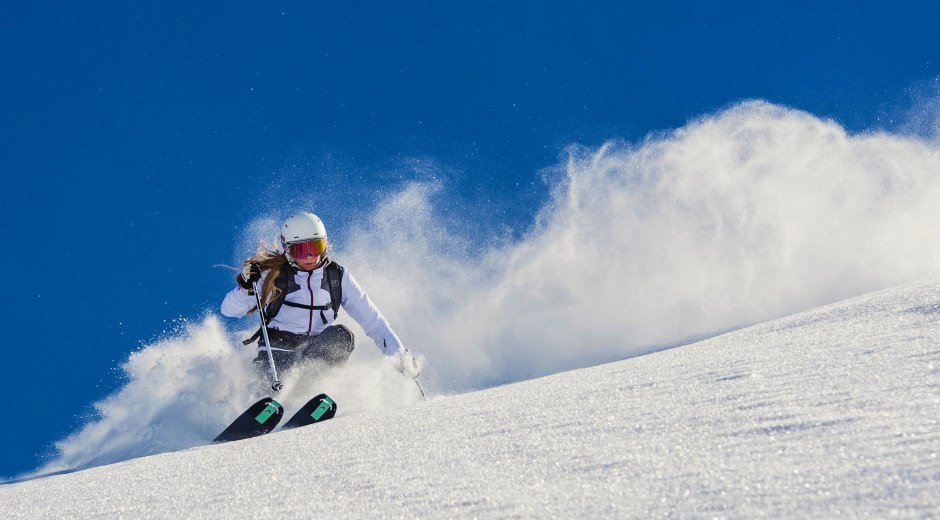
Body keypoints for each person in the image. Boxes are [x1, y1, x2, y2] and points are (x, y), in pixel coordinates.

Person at [221, 212, 421, 379]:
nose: (309, 256)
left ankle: (308, 391)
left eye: (316, 247)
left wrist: (400, 357)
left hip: (313, 352)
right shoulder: (272, 275)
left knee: (342, 336)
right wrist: (247, 287)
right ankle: (262, 399)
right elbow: (228, 310)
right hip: (277, 352)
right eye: (301, 250)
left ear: (325, 245)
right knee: (271, 379)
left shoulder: (336, 277)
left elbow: (374, 322)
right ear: (288, 250)